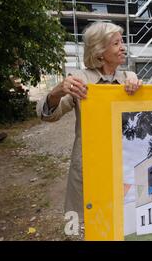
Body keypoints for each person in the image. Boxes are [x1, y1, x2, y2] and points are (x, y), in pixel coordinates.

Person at [36, 21, 142, 221]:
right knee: (94, 221)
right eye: (116, 43)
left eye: (122, 42)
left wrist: (139, 90)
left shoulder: (130, 77)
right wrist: (56, 92)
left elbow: (147, 114)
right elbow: (49, 115)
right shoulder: (79, 79)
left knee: (124, 218)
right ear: (100, 51)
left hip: (124, 162)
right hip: (91, 164)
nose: (123, 47)